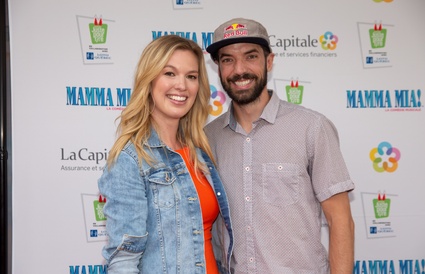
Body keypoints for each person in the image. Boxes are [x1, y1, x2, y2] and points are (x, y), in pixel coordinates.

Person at [205, 18, 355, 274]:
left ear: (269, 61)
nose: (239, 69)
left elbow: (340, 221)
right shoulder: (208, 138)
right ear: (218, 68)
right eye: (228, 59)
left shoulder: (312, 127)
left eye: (250, 56)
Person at [98, 35, 233, 274]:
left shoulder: (200, 151)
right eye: (169, 73)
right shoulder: (131, 159)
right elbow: (123, 260)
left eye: (191, 76)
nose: (181, 85)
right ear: (149, 80)